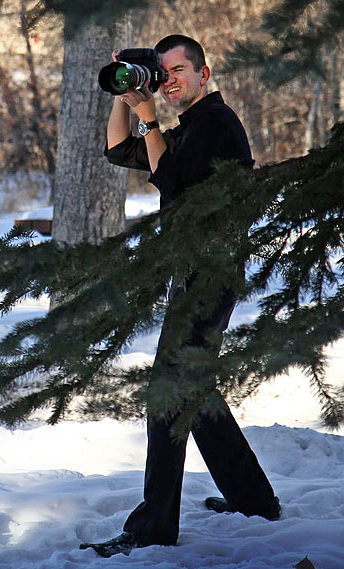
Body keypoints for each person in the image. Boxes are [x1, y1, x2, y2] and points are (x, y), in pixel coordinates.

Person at [80, 34, 280, 558]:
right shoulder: (190, 125)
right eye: (161, 72)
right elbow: (120, 151)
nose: (168, 81)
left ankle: (153, 527)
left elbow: (172, 179)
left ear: (203, 74)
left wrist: (147, 114)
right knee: (192, 388)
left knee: (169, 393)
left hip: (208, 274)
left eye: (176, 72)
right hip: (198, 272)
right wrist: (128, 100)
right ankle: (253, 498)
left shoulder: (215, 123)